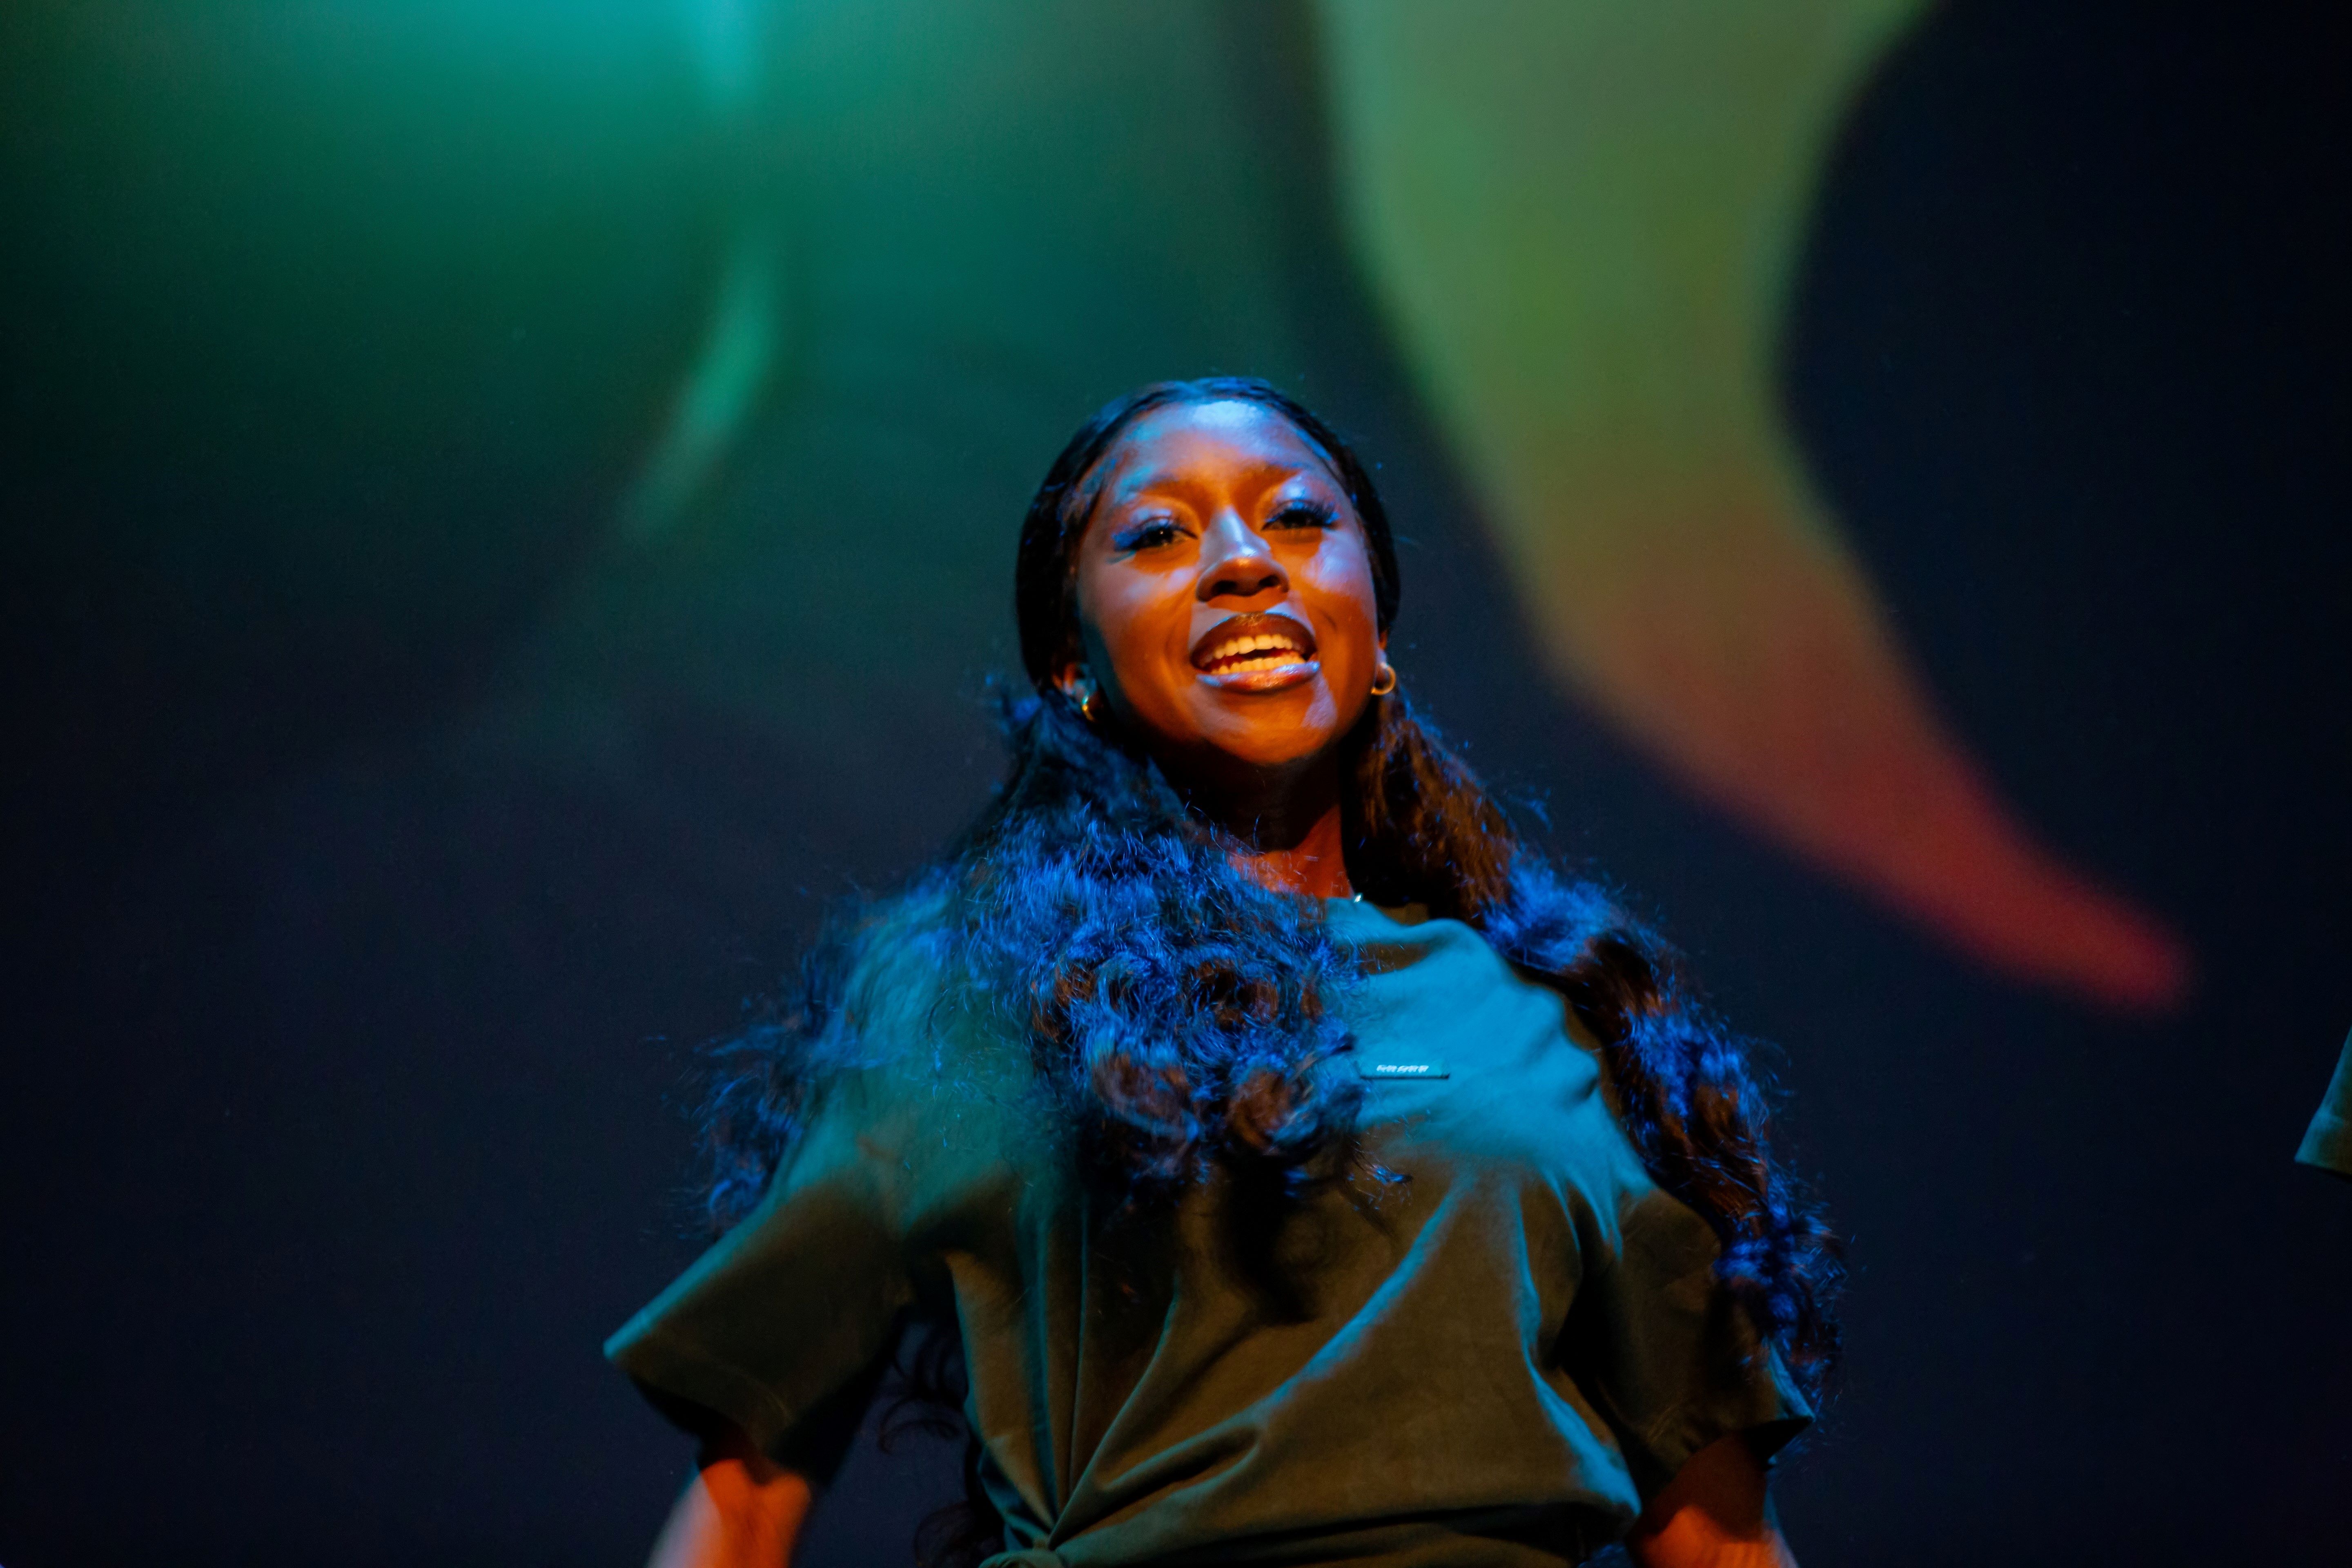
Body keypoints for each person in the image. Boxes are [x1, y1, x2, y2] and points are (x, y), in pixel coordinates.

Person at [607, 379, 1843, 1567]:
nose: (1246, 562)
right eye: (1159, 535)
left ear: (1376, 625)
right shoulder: (958, 1001)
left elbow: (1721, 1538)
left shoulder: (1555, 1008)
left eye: (1299, 518)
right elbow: (745, 1503)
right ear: (1071, 666)